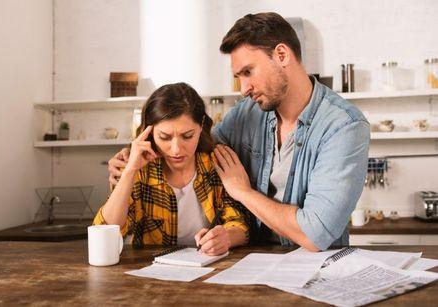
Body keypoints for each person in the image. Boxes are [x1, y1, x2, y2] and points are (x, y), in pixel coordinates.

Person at [108, 12, 370, 252]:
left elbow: (315, 234)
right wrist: (130, 159)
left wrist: (242, 191)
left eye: (248, 72)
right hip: (250, 263)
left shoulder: (344, 127)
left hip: (315, 269)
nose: (243, 88)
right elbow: (197, 143)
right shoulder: (248, 112)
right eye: (238, 77)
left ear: (281, 55)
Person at [93, 82, 251, 256]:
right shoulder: (139, 170)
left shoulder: (216, 164)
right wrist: (130, 171)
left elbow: (240, 225)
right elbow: (104, 233)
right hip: (151, 276)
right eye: (165, 137)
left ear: (201, 125)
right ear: (149, 131)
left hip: (208, 270)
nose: (176, 149)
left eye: (187, 136)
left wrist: (226, 237)